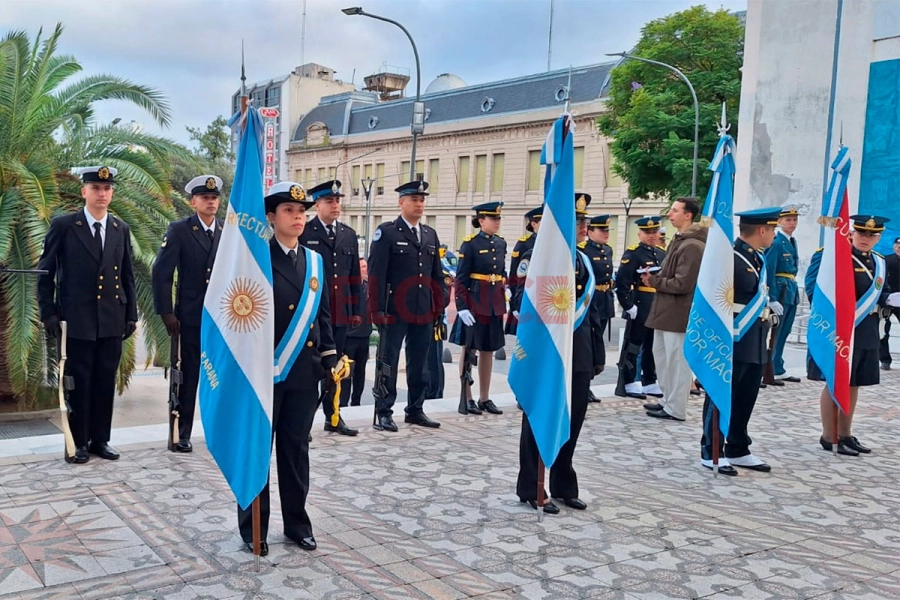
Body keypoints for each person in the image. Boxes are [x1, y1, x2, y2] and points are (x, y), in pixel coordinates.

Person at [238, 181, 336, 556]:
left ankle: (297, 524)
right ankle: (254, 528)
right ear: (271, 216)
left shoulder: (315, 261)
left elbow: (322, 316)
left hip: (303, 373)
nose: (297, 217)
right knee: (258, 451)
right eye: (289, 211)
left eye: (301, 212)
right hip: (264, 373)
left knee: (295, 452)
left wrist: (329, 358)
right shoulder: (257, 259)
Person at [37, 166, 137, 464]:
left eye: (106, 189)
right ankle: (78, 442)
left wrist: (131, 314)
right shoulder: (65, 226)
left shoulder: (120, 228)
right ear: (84, 192)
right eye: (95, 188)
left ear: (112, 193)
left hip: (111, 318)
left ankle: (100, 440)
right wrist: (48, 313)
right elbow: (45, 272)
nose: (102, 193)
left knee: (105, 381)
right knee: (78, 383)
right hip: (76, 319)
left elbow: (127, 275)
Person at [516, 193, 604, 513]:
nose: (584, 226)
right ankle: (531, 486)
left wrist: (597, 355)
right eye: (577, 220)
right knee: (539, 417)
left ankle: (564, 485)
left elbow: (592, 311)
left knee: (573, 419)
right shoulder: (538, 255)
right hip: (549, 352)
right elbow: (524, 304)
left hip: (578, 352)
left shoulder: (583, 258)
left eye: (585, 221)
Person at [806, 215, 898, 456]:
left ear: (878, 238)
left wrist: (890, 298)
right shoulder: (833, 257)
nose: (866, 238)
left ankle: (846, 433)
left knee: (855, 381)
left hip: (867, 329)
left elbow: (882, 292)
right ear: (852, 233)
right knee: (836, 380)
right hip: (840, 330)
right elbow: (815, 289)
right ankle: (829, 435)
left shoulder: (879, 262)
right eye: (861, 233)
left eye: (872, 235)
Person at [700, 207, 781, 476]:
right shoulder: (729, 258)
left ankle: (738, 447)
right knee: (722, 393)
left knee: (746, 394)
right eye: (772, 229)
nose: (774, 234)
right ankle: (712, 450)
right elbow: (714, 299)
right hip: (732, 337)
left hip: (754, 337)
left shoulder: (757, 258)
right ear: (762, 230)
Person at [366, 180, 448, 431]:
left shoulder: (430, 234)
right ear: (401, 202)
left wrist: (439, 304)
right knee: (388, 360)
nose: (419, 204)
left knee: (420, 362)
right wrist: (376, 310)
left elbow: (436, 274)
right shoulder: (388, 233)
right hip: (394, 308)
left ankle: (415, 409)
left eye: (422, 200)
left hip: (423, 308)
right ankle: (384, 411)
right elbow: (376, 274)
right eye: (414, 199)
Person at [152, 174, 224, 452]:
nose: (211, 202)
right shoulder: (180, 230)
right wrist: (166, 312)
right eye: (205, 197)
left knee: (219, 377)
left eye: (214, 197)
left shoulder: (227, 231)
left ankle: (219, 431)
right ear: (193, 202)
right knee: (189, 376)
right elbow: (162, 272)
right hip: (191, 316)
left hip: (221, 318)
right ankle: (182, 433)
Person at [299, 180, 361, 436]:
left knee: (336, 368)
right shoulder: (305, 232)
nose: (335, 205)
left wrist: (356, 310)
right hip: (313, 313)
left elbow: (354, 275)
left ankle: (333, 416)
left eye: (337, 201)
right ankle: (303, 422)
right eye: (329, 201)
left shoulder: (348, 234)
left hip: (340, 313)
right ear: (317, 205)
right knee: (309, 368)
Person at [644, 197, 706, 422]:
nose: (670, 214)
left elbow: (683, 283)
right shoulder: (679, 240)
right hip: (665, 310)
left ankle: (676, 407)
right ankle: (667, 400)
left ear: (688, 215)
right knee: (662, 358)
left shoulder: (692, 245)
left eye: (675, 210)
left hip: (678, 312)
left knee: (677, 362)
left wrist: (655, 281)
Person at [451, 201, 508, 415]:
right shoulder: (470, 244)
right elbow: (461, 279)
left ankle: (485, 397)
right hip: (475, 305)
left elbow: (501, 272)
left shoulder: (501, 243)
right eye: (493, 218)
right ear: (481, 221)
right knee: (469, 350)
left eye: (498, 218)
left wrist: (506, 288)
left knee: (488, 350)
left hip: (494, 304)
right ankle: (467, 397)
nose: (497, 222)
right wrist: (462, 307)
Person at [614, 216, 666, 399]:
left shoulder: (661, 253)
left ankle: (650, 380)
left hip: (657, 302)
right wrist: (628, 305)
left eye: (654, 232)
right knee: (634, 344)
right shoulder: (633, 253)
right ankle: (629, 381)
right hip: (640, 302)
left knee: (653, 344)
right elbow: (622, 282)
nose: (651, 235)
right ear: (639, 234)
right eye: (647, 232)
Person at [578, 214, 615, 403]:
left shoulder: (608, 250)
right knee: (588, 343)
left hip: (604, 299)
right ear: (591, 232)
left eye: (607, 230)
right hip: (589, 300)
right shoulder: (583, 250)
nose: (606, 233)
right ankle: (585, 385)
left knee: (597, 342)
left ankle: (588, 383)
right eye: (602, 230)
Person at [763, 205, 801, 384]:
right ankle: (770, 368)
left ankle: (778, 366)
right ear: (779, 221)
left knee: (785, 330)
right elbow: (769, 269)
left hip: (790, 290)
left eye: (794, 220)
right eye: (788, 220)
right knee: (775, 332)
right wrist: (771, 297)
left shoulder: (792, 241)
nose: (792, 223)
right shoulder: (777, 242)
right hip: (780, 290)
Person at [505, 206, 542, 336]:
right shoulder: (524, 244)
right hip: (527, 298)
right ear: (534, 224)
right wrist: (514, 306)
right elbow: (515, 276)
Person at [341, 258, 372, 407]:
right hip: (349, 337)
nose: (366, 269)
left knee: (360, 371)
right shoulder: (348, 289)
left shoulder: (368, 287)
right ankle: (343, 403)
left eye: (366, 266)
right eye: (363, 267)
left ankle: (356, 401)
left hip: (364, 336)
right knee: (347, 372)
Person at [424, 253, 452, 400]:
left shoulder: (440, 267)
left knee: (433, 360)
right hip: (415, 318)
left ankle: (434, 393)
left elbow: (445, 295)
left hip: (434, 321)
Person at [879, 236, 900, 370]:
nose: (899, 247)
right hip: (888, 300)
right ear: (894, 247)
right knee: (883, 330)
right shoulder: (885, 260)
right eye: (897, 245)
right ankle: (885, 360)